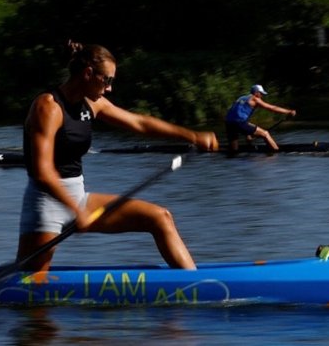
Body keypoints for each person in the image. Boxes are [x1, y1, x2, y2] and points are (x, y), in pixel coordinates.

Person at [18, 41, 219, 272]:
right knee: (32, 283)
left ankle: (192, 282)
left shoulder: (92, 104)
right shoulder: (48, 107)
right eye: (108, 80)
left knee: (160, 217)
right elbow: (43, 172)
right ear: (88, 74)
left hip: (78, 197)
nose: (110, 88)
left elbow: (140, 123)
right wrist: (75, 210)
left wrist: (192, 135)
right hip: (47, 203)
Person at [224, 84, 296, 153]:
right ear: (256, 93)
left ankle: (232, 152)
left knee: (234, 150)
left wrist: (248, 134)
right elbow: (271, 108)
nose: (262, 96)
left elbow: (237, 114)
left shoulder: (241, 98)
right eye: (261, 93)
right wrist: (288, 111)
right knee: (265, 134)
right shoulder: (255, 99)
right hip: (239, 122)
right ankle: (276, 153)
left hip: (228, 123)